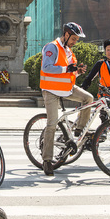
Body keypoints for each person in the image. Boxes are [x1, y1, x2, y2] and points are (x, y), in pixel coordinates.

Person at [39, 22, 94, 176]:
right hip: (51, 91)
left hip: (66, 89)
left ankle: (79, 130)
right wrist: (67, 68)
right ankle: (47, 160)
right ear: (66, 34)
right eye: (74, 38)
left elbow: (69, 73)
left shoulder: (69, 52)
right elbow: (47, 67)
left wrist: (78, 72)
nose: (75, 42)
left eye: (77, 39)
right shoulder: (52, 47)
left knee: (88, 98)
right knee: (52, 124)